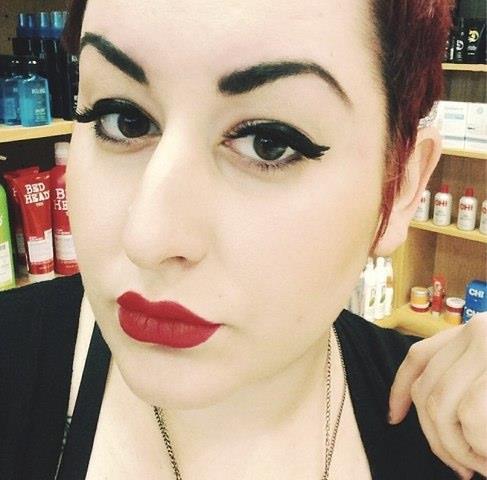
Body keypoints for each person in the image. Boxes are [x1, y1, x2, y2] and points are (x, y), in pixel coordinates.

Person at [1, 0, 486, 479]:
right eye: (123, 118)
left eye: (268, 142)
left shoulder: (454, 438)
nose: (147, 238)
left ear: (400, 187)